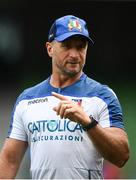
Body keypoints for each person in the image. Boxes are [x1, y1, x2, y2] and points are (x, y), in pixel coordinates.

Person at [0, 15, 129, 179]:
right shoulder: (27, 100)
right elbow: (10, 159)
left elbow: (122, 156)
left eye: (81, 47)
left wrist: (87, 122)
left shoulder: (102, 96)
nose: (74, 54)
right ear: (49, 49)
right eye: (66, 46)